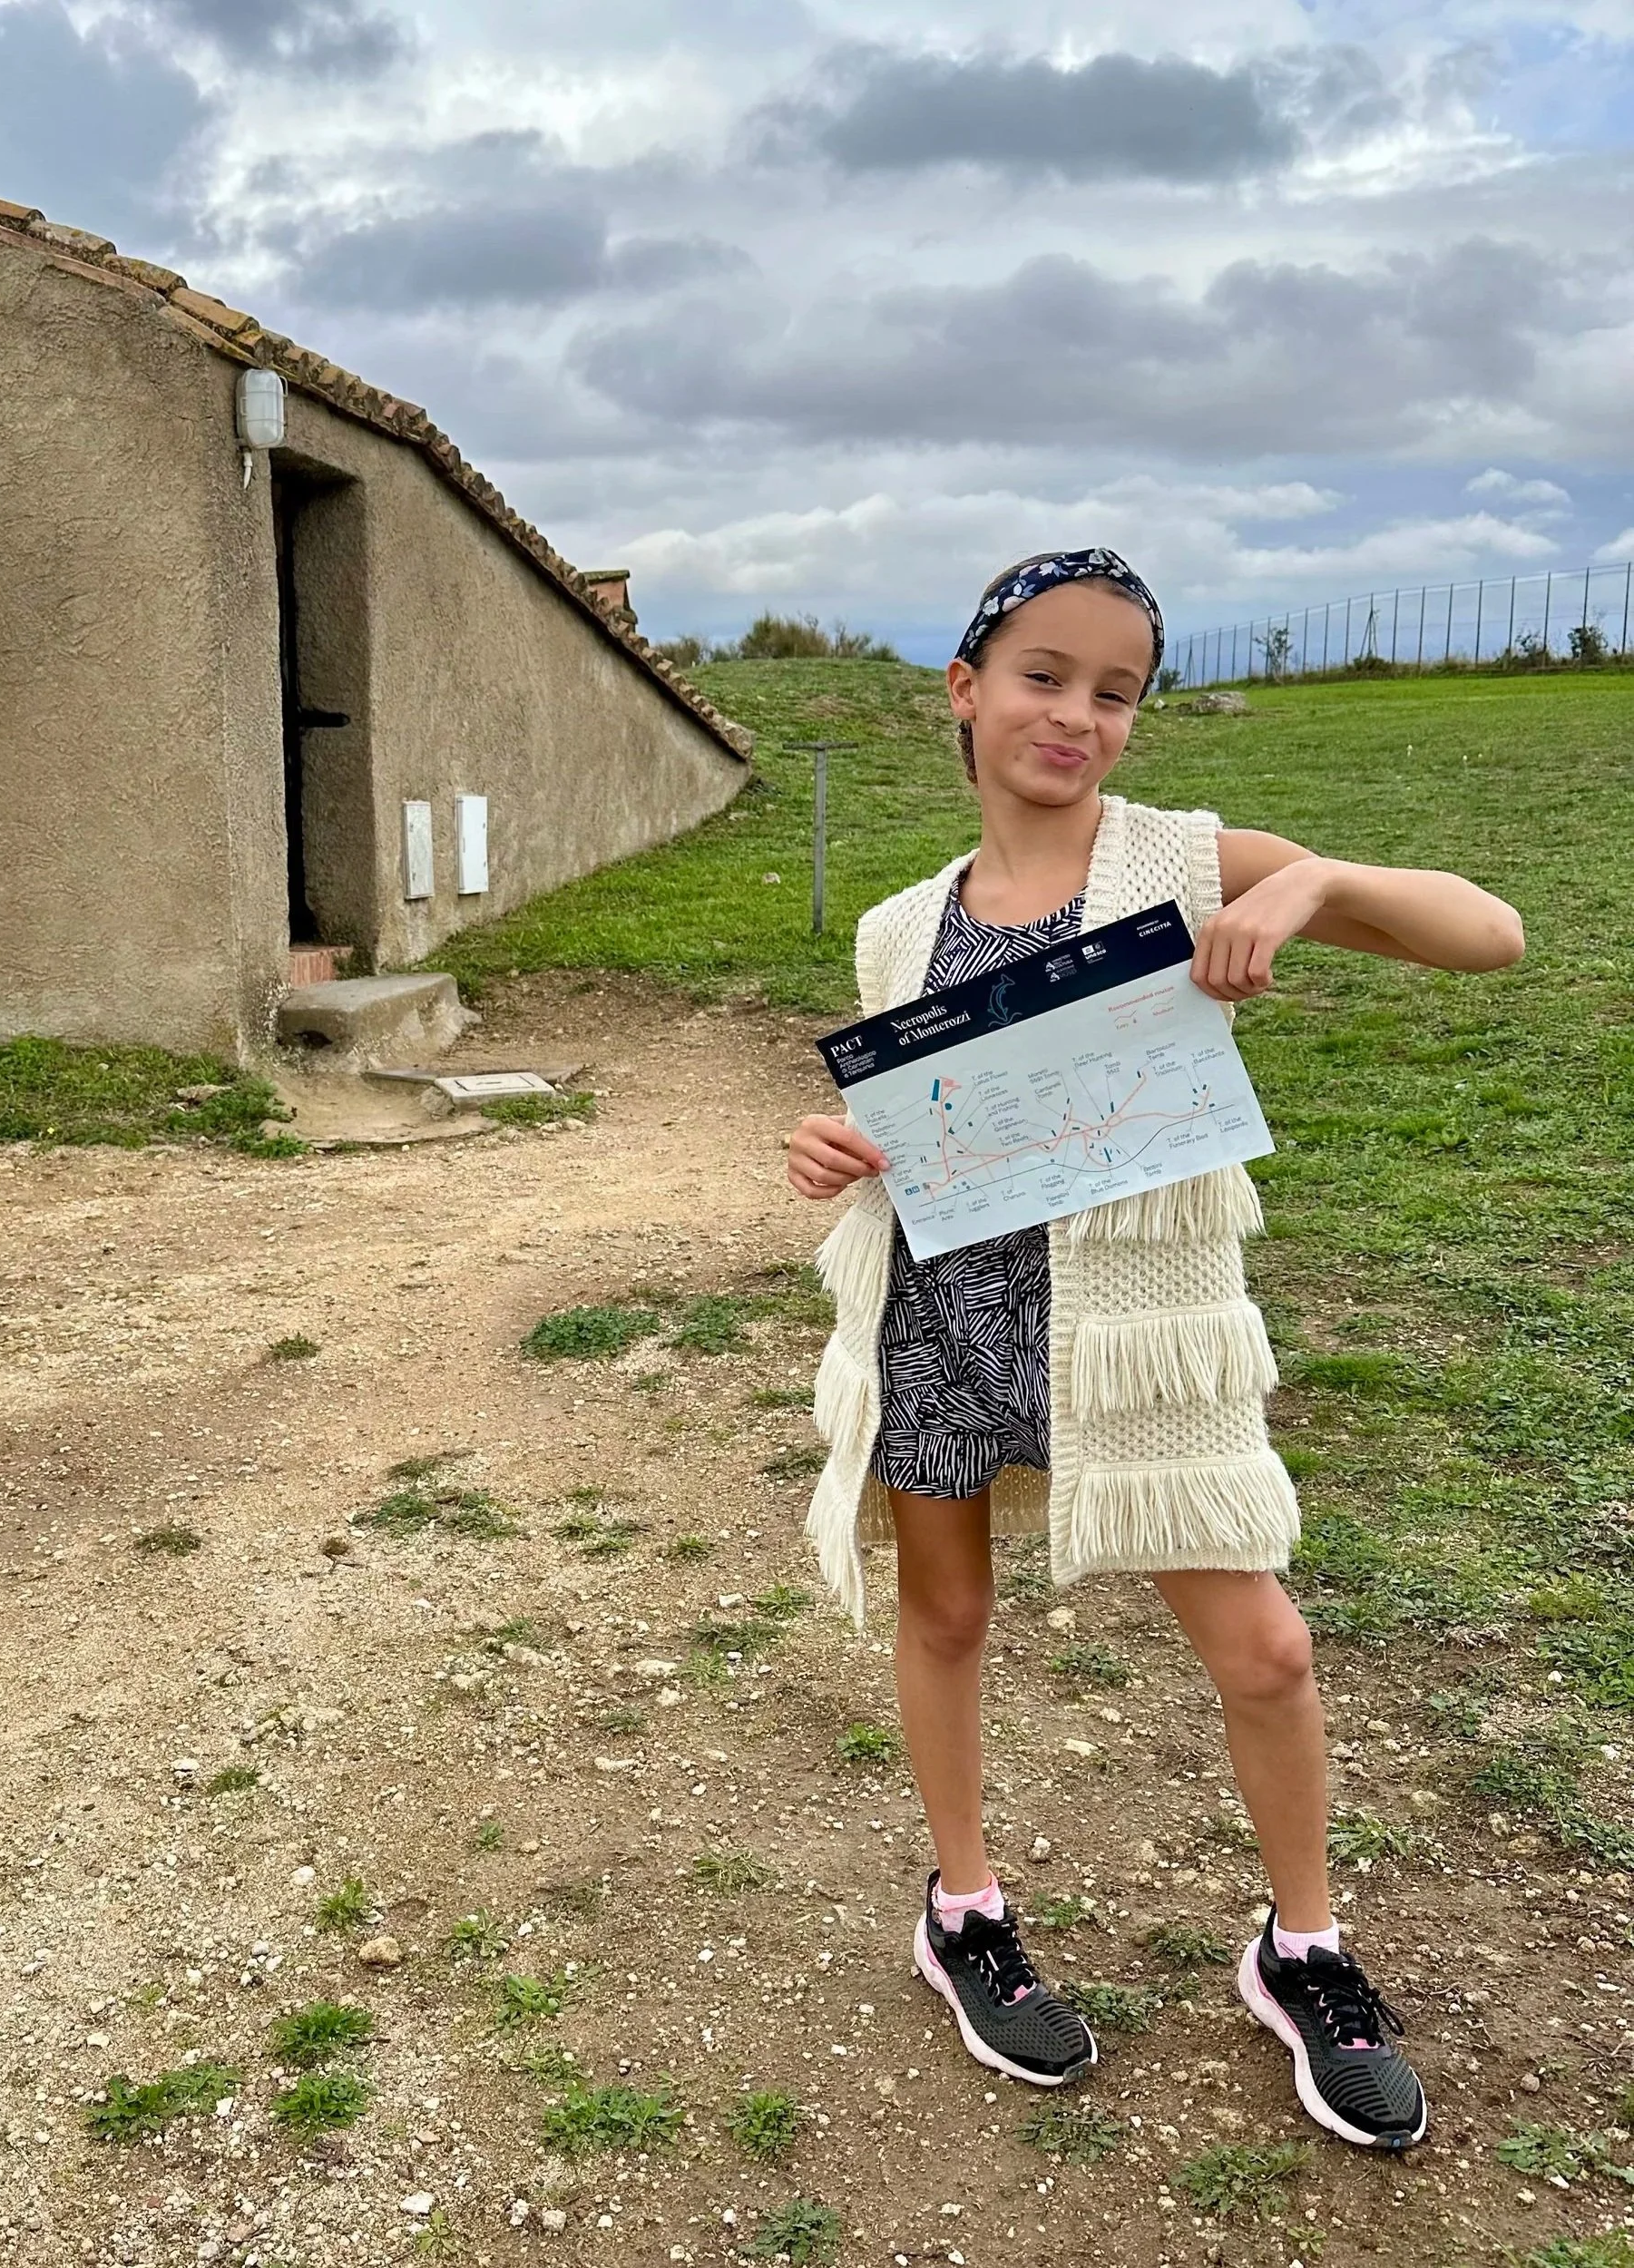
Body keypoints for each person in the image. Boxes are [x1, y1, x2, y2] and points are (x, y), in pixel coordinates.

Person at [785, 549, 1523, 2151]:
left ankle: (1303, 1949)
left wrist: (1310, 883)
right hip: (942, 1325)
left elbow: (1494, 934)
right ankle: (963, 1909)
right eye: (1046, 675)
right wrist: (838, 1151)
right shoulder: (898, 925)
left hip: (1134, 1343)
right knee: (949, 1613)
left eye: (1116, 691)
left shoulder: (1192, 862)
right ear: (966, 689)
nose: (1079, 714)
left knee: (1265, 1649)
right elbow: (921, 1119)